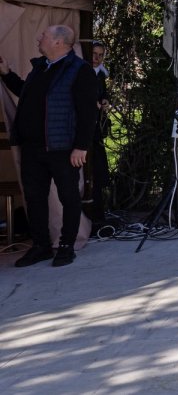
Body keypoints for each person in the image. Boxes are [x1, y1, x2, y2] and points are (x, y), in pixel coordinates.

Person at [1, 25, 99, 267]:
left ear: (58, 42)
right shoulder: (41, 68)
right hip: (33, 148)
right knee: (34, 198)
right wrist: (6, 74)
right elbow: (27, 93)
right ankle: (41, 246)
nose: (38, 38)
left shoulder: (80, 70)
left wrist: (81, 147)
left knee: (68, 197)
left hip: (63, 148)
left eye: (43, 36)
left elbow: (88, 112)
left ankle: (67, 246)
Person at [87, 41, 112, 233]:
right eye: (94, 54)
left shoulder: (100, 74)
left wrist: (104, 102)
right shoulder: (82, 73)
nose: (97, 58)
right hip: (84, 132)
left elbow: (103, 95)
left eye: (101, 55)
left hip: (96, 131)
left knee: (99, 171)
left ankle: (99, 215)